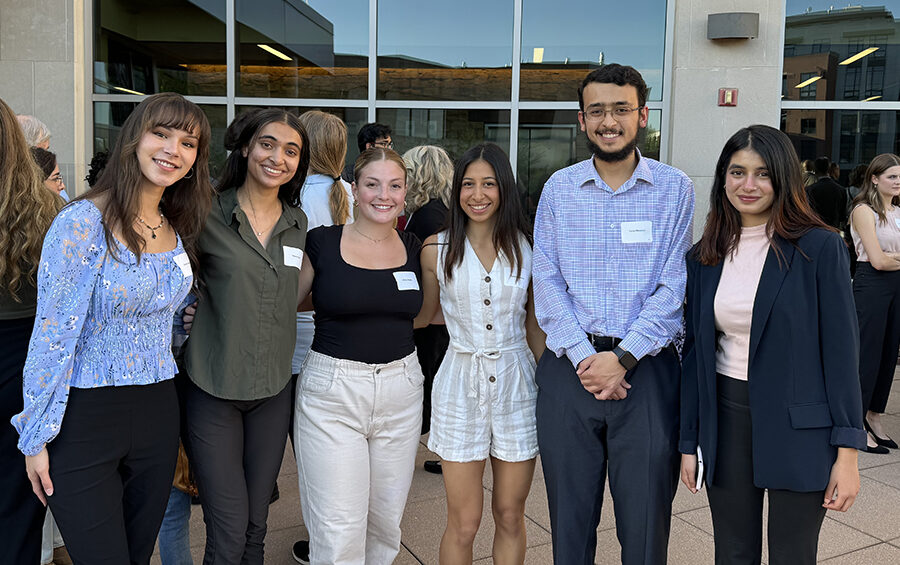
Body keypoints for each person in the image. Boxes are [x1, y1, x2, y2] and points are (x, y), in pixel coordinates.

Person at [13, 92, 212, 564]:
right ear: (133, 139)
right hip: (84, 417)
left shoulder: (176, 223)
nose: (172, 150)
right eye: (160, 134)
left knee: (138, 555)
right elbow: (52, 335)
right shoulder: (82, 222)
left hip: (158, 410)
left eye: (188, 142)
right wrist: (36, 437)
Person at [679, 125, 865, 564]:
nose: (748, 185)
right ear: (723, 178)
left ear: (783, 178)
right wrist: (690, 441)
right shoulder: (704, 256)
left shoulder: (819, 249)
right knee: (733, 551)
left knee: (792, 554)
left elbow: (841, 357)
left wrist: (849, 454)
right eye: (737, 172)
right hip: (726, 421)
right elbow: (695, 358)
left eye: (762, 174)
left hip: (800, 424)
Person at [532, 64, 694, 565]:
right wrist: (588, 358)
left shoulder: (675, 188)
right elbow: (548, 284)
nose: (609, 120)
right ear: (582, 120)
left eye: (621, 109)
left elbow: (675, 287)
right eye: (597, 110)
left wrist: (622, 358)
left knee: (645, 530)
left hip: (648, 373)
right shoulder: (558, 189)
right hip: (570, 372)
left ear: (642, 116)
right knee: (569, 524)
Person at [182, 108, 310, 564]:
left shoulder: (299, 222)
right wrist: (186, 310)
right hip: (212, 386)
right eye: (268, 144)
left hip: (273, 390)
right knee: (229, 529)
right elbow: (172, 281)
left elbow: (294, 288)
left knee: (257, 526)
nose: (278, 157)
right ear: (245, 148)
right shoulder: (205, 213)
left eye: (291, 150)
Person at [415, 143, 545, 564]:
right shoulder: (436, 247)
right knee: (464, 520)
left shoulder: (529, 247)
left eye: (488, 183)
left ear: (504, 188)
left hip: (517, 384)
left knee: (510, 513)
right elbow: (424, 316)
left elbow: (535, 327)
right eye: (468, 184)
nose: (477, 194)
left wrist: (561, 385)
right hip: (459, 384)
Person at [294, 147, 424, 565]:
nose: (383, 195)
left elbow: (428, 314)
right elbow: (281, 303)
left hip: (401, 389)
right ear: (354, 188)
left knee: (385, 523)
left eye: (394, 185)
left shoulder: (414, 245)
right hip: (334, 391)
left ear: (406, 192)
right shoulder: (322, 242)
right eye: (372, 184)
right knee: (338, 526)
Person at [288, 109, 355, 565]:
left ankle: (321, 541)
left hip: (295, 330)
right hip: (339, 333)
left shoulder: (290, 198)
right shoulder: (354, 193)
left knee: (309, 449)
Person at [0, 96, 63, 565]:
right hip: (24, 359)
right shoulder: (48, 207)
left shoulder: (48, 206)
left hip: (24, 349)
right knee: (17, 502)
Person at [403, 144, 454, 475]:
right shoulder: (445, 212)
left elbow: (433, 274)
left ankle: (439, 450)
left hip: (431, 319)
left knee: (429, 385)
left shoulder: (427, 218)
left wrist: (415, 321)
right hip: (441, 318)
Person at [849, 153, 900, 455]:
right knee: (866, 356)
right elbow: (878, 261)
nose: (897, 181)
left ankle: (874, 416)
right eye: (892, 176)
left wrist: (890, 258)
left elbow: (886, 257)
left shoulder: (897, 211)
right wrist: (890, 258)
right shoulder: (863, 210)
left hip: (896, 287)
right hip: (871, 285)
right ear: (874, 178)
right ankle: (856, 424)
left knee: (888, 355)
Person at [807, 156, 848, 231]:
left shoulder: (809, 190)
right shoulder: (841, 190)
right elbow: (842, 216)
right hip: (834, 230)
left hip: (815, 229)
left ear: (815, 170)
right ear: (828, 170)